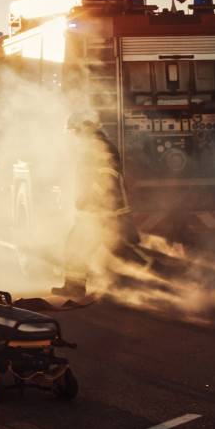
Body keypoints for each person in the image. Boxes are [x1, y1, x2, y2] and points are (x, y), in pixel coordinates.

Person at [52, 111, 145, 296]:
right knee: (118, 249)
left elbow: (107, 178)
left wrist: (92, 200)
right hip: (102, 210)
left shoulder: (95, 148)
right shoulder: (96, 145)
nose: (73, 137)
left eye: (73, 132)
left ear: (82, 129)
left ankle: (75, 287)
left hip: (101, 211)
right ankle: (146, 281)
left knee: (77, 246)